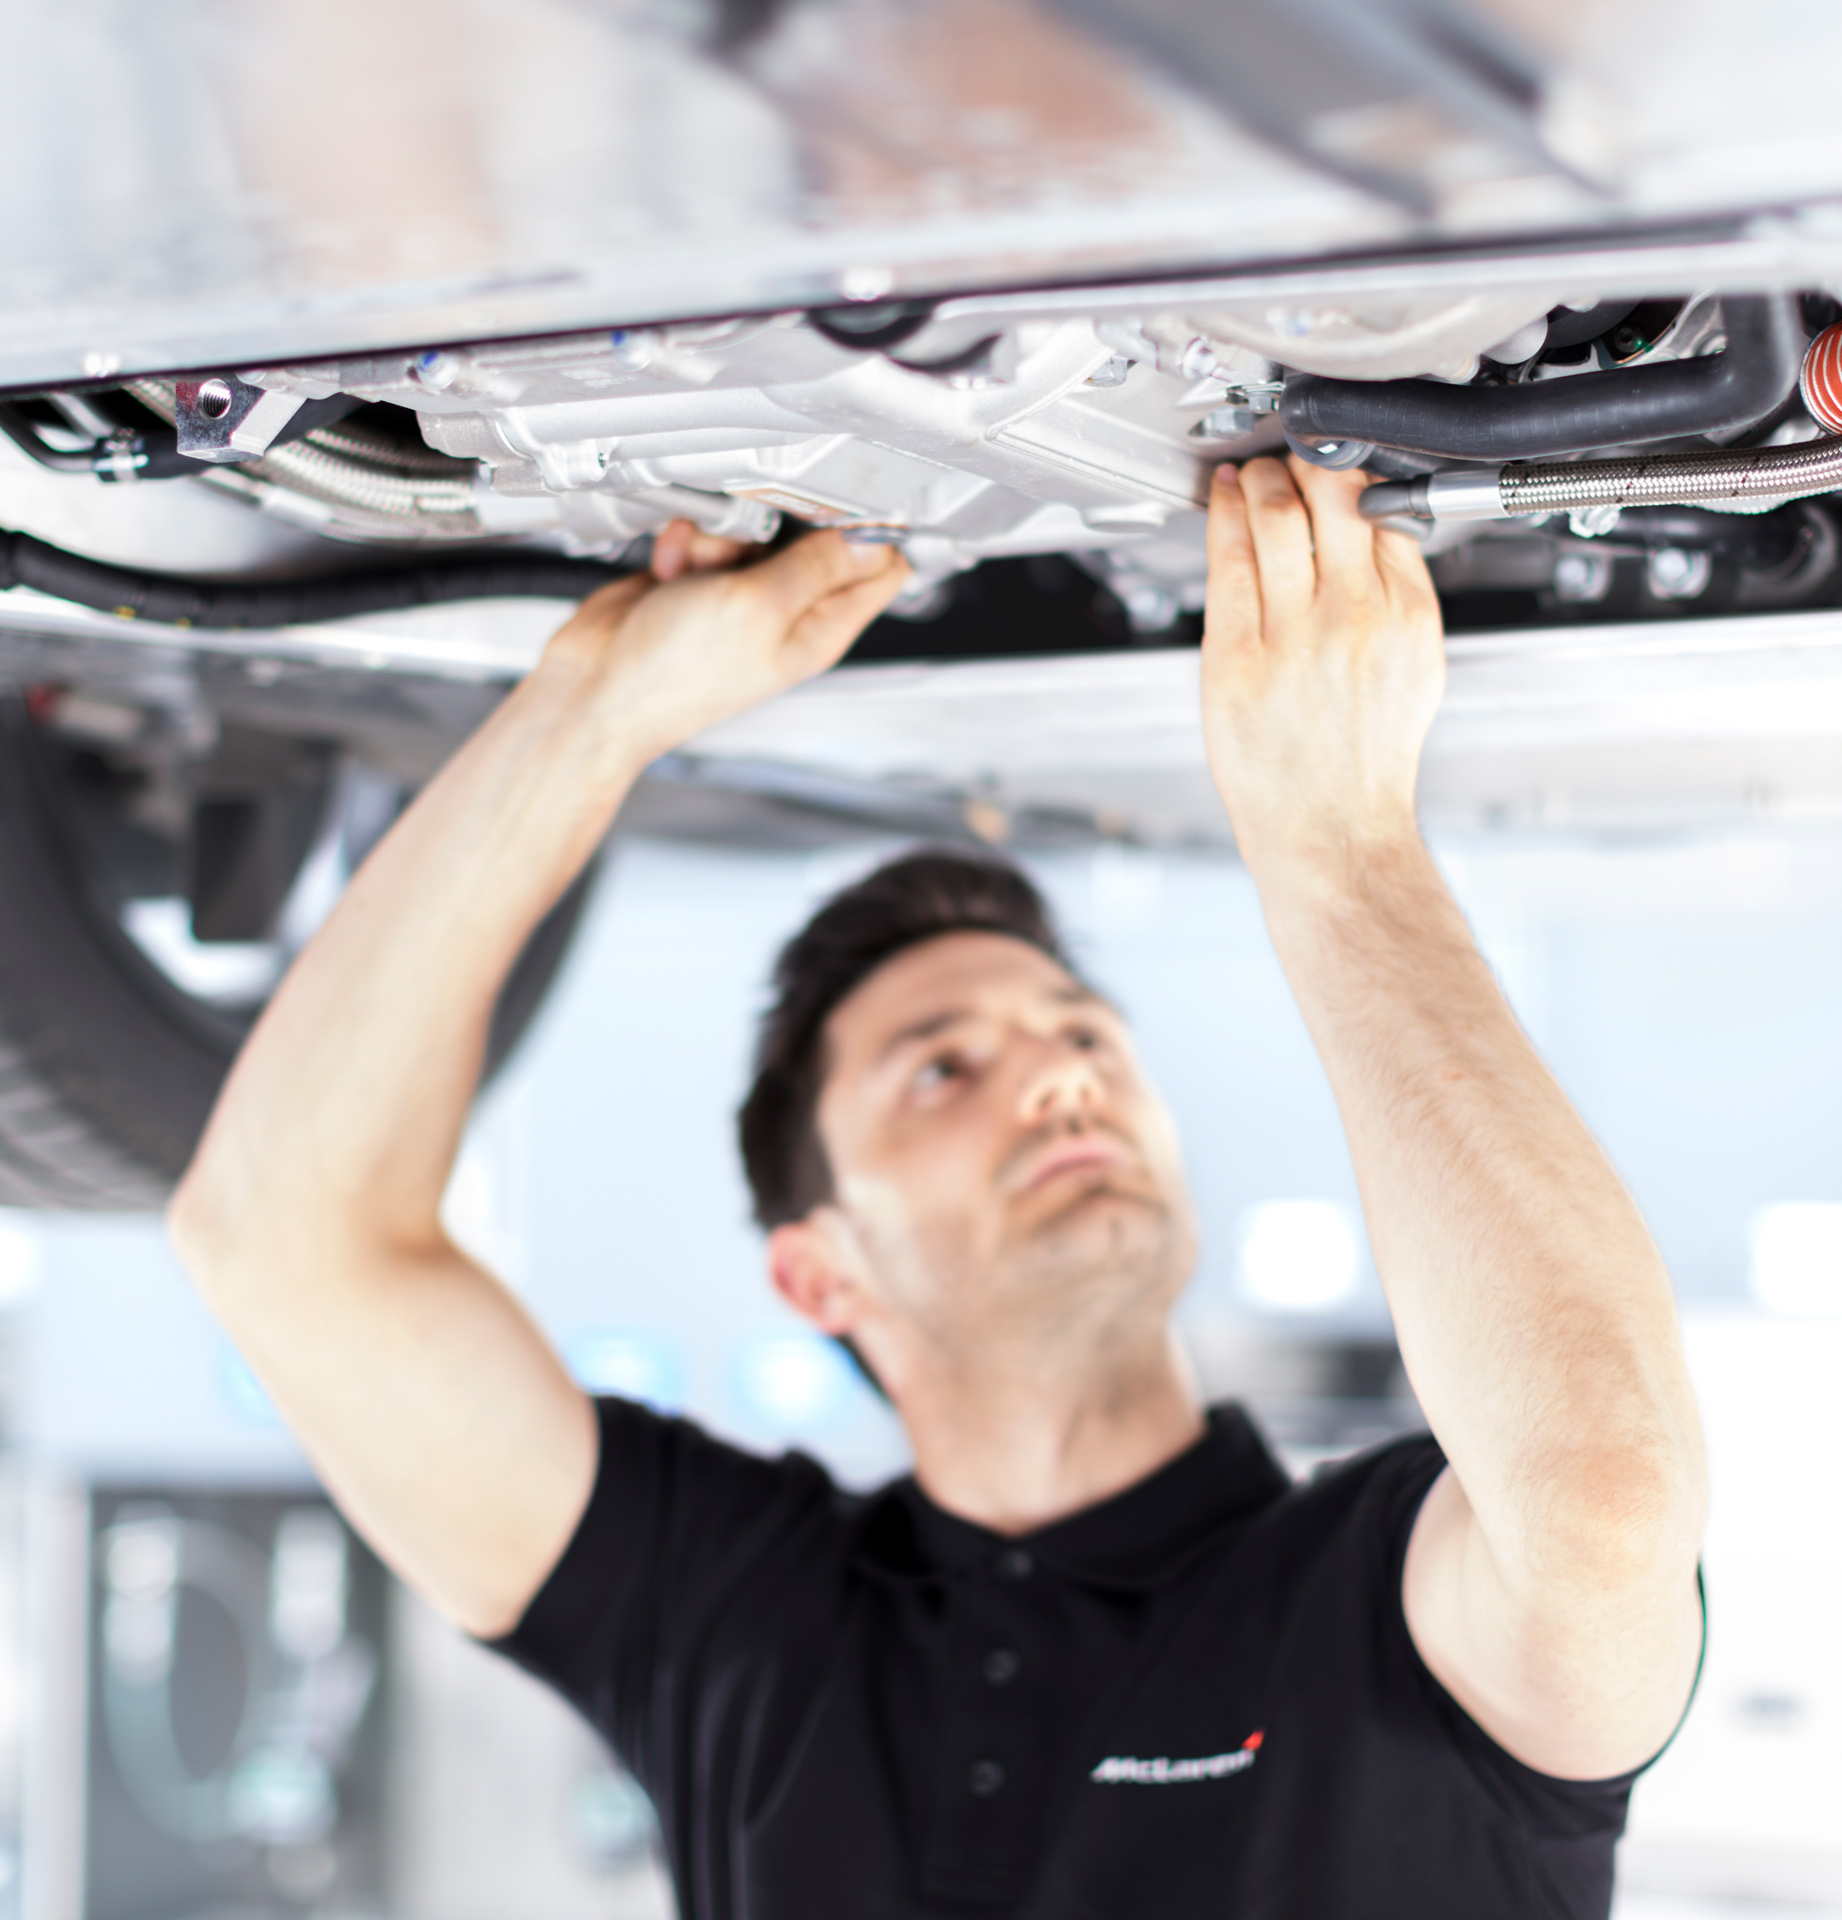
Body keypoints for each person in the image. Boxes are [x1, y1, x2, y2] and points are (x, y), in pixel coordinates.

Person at [169, 459, 1707, 1920]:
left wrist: (1340, 851)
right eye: (942, 1068)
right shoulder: (741, 1622)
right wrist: (591, 703)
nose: (1056, 1077)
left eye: (1081, 1035)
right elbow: (282, 1239)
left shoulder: (1375, 1593)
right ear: (818, 1271)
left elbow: (1600, 1505)